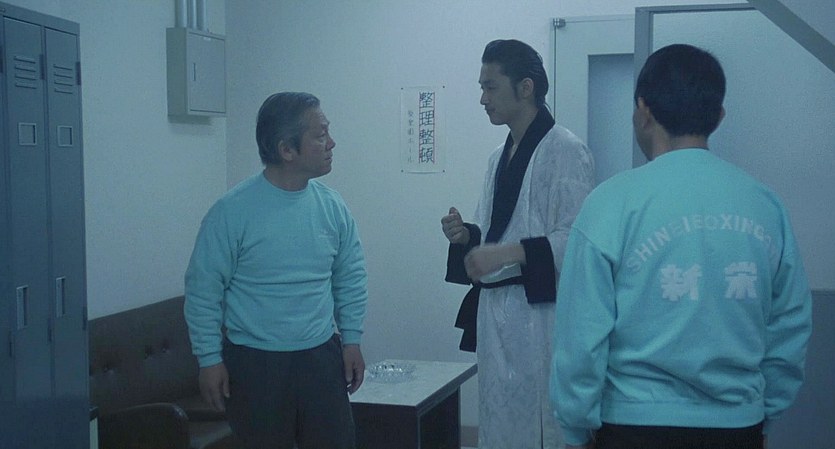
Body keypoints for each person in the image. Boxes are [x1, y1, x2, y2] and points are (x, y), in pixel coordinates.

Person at [550, 44, 813, 449]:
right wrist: (765, 410)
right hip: (737, 426)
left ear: (643, 109)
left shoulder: (609, 203)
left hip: (631, 425)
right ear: (719, 116)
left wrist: (575, 426)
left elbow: (581, 336)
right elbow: (790, 326)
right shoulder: (764, 205)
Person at [184, 92, 368, 449]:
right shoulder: (232, 212)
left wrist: (352, 340)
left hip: (320, 356)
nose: (331, 143)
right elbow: (203, 290)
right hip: (255, 364)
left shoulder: (332, 207)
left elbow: (350, 277)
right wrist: (209, 358)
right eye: (320, 135)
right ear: (287, 150)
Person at [441, 39, 595, 448]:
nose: (482, 99)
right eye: (482, 87)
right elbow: (494, 231)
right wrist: (467, 236)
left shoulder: (566, 150)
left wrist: (507, 253)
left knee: (541, 422)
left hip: (540, 315)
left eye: (490, 87)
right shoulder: (498, 156)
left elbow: (576, 238)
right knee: (499, 422)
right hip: (495, 314)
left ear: (525, 87)